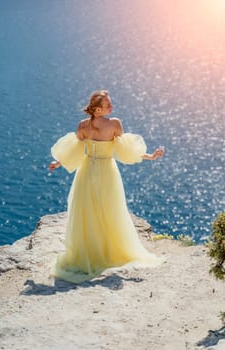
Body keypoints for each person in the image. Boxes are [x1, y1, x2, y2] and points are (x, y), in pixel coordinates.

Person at [49, 90, 164, 283]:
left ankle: (91, 251)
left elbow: (74, 150)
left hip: (86, 171)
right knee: (110, 210)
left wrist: (58, 162)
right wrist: (150, 156)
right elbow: (126, 150)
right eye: (108, 104)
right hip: (106, 172)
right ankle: (107, 251)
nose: (112, 107)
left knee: (86, 212)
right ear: (97, 108)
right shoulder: (114, 124)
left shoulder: (83, 125)